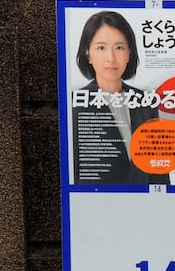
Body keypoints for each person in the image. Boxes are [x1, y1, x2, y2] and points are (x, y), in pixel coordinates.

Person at [69, 10, 168, 185]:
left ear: (129, 53)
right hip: (99, 205)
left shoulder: (145, 101)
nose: (111, 58)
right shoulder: (75, 103)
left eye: (119, 47)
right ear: (88, 54)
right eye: (101, 48)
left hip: (144, 205)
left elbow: (158, 169)